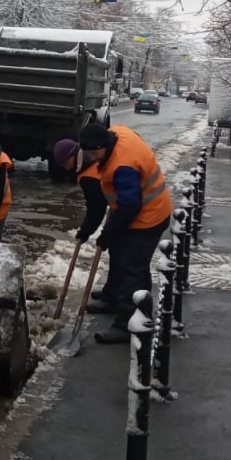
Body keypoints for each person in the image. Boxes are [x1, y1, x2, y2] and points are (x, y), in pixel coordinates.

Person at [76, 122, 174, 343]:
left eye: (94, 153)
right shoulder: (117, 133)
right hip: (136, 210)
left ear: (104, 144)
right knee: (118, 255)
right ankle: (112, 298)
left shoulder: (123, 165)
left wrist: (109, 233)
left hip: (149, 216)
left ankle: (129, 322)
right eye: (88, 153)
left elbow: (129, 207)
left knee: (133, 269)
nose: (92, 158)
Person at [51, 137, 117, 306]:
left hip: (126, 207)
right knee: (117, 252)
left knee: (121, 253)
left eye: (65, 164)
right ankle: (111, 292)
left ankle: (116, 301)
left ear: (73, 157)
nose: (66, 169)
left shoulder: (88, 174)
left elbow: (96, 209)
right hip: (121, 204)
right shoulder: (91, 159)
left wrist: (85, 232)